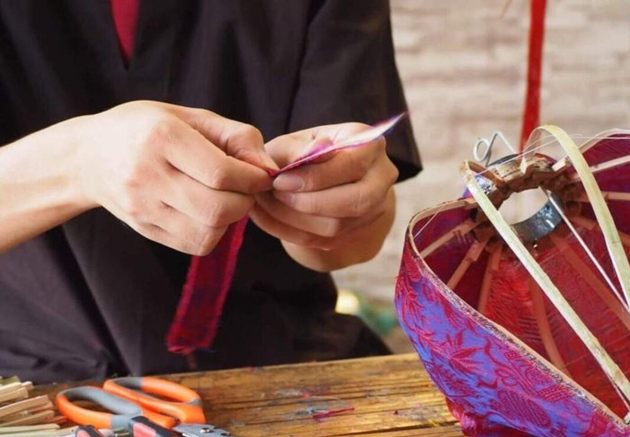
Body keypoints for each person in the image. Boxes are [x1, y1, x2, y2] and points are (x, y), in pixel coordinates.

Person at [0, 1, 421, 383]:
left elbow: (351, 240)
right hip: (31, 389)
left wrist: (338, 209)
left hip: (277, 368)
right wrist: (80, 161)